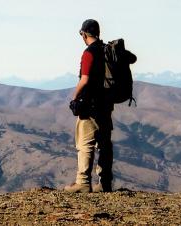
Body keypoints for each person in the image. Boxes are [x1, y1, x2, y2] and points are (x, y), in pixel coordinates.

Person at [64, 19, 114, 193]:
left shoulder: (89, 53)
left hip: (90, 106)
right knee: (105, 144)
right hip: (106, 105)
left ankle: (83, 182)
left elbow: (84, 80)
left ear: (84, 34)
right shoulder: (107, 50)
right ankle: (105, 182)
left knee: (85, 143)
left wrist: (74, 97)